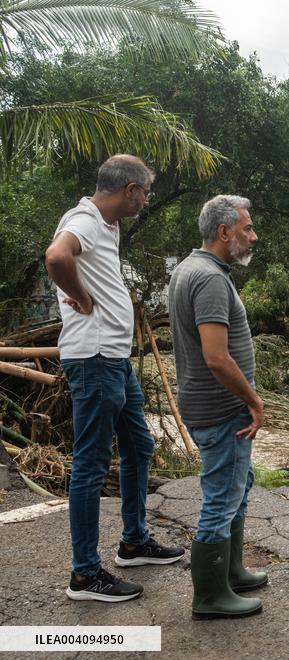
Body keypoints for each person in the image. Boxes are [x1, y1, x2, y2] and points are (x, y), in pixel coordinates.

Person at [44, 155, 184, 603]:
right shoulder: (84, 219)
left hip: (114, 359)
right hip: (95, 358)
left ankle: (134, 541)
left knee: (140, 445)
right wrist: (79, 296)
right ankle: (84, 575)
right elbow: (56, 256)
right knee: (89, 464)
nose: (146, 199)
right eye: (145, 191)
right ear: (129, 188)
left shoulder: (106, 225)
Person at [168, 195, 265, 620]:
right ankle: (210, 595)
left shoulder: (193, 269)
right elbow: (216, 357)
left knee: (236, 486)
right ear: (224, 232)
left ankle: (231, 572)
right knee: (222, 496)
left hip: (213, 406)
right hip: (221, 409)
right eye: (246, 228)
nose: (253, 236)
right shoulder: (207, 278)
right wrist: (254, 401)